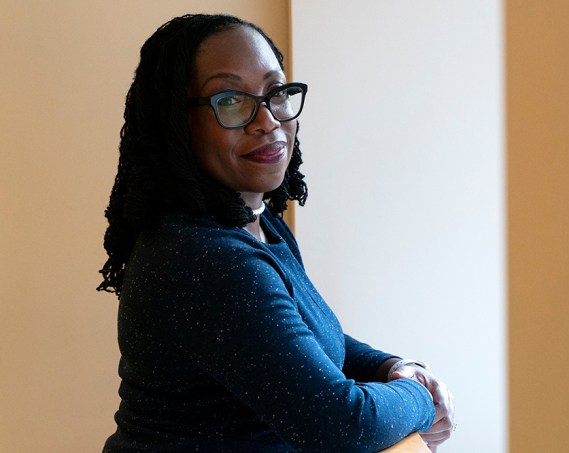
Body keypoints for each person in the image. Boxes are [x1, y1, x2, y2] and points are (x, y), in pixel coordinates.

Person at [98, 13, 454, 452]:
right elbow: (342, 424)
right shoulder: (206, 257)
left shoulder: (257, 223)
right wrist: (422, 397)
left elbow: (302, 336)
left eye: (275, 93)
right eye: (230, 101)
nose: (266, 120)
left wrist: (394, 367)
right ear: (178, 124)